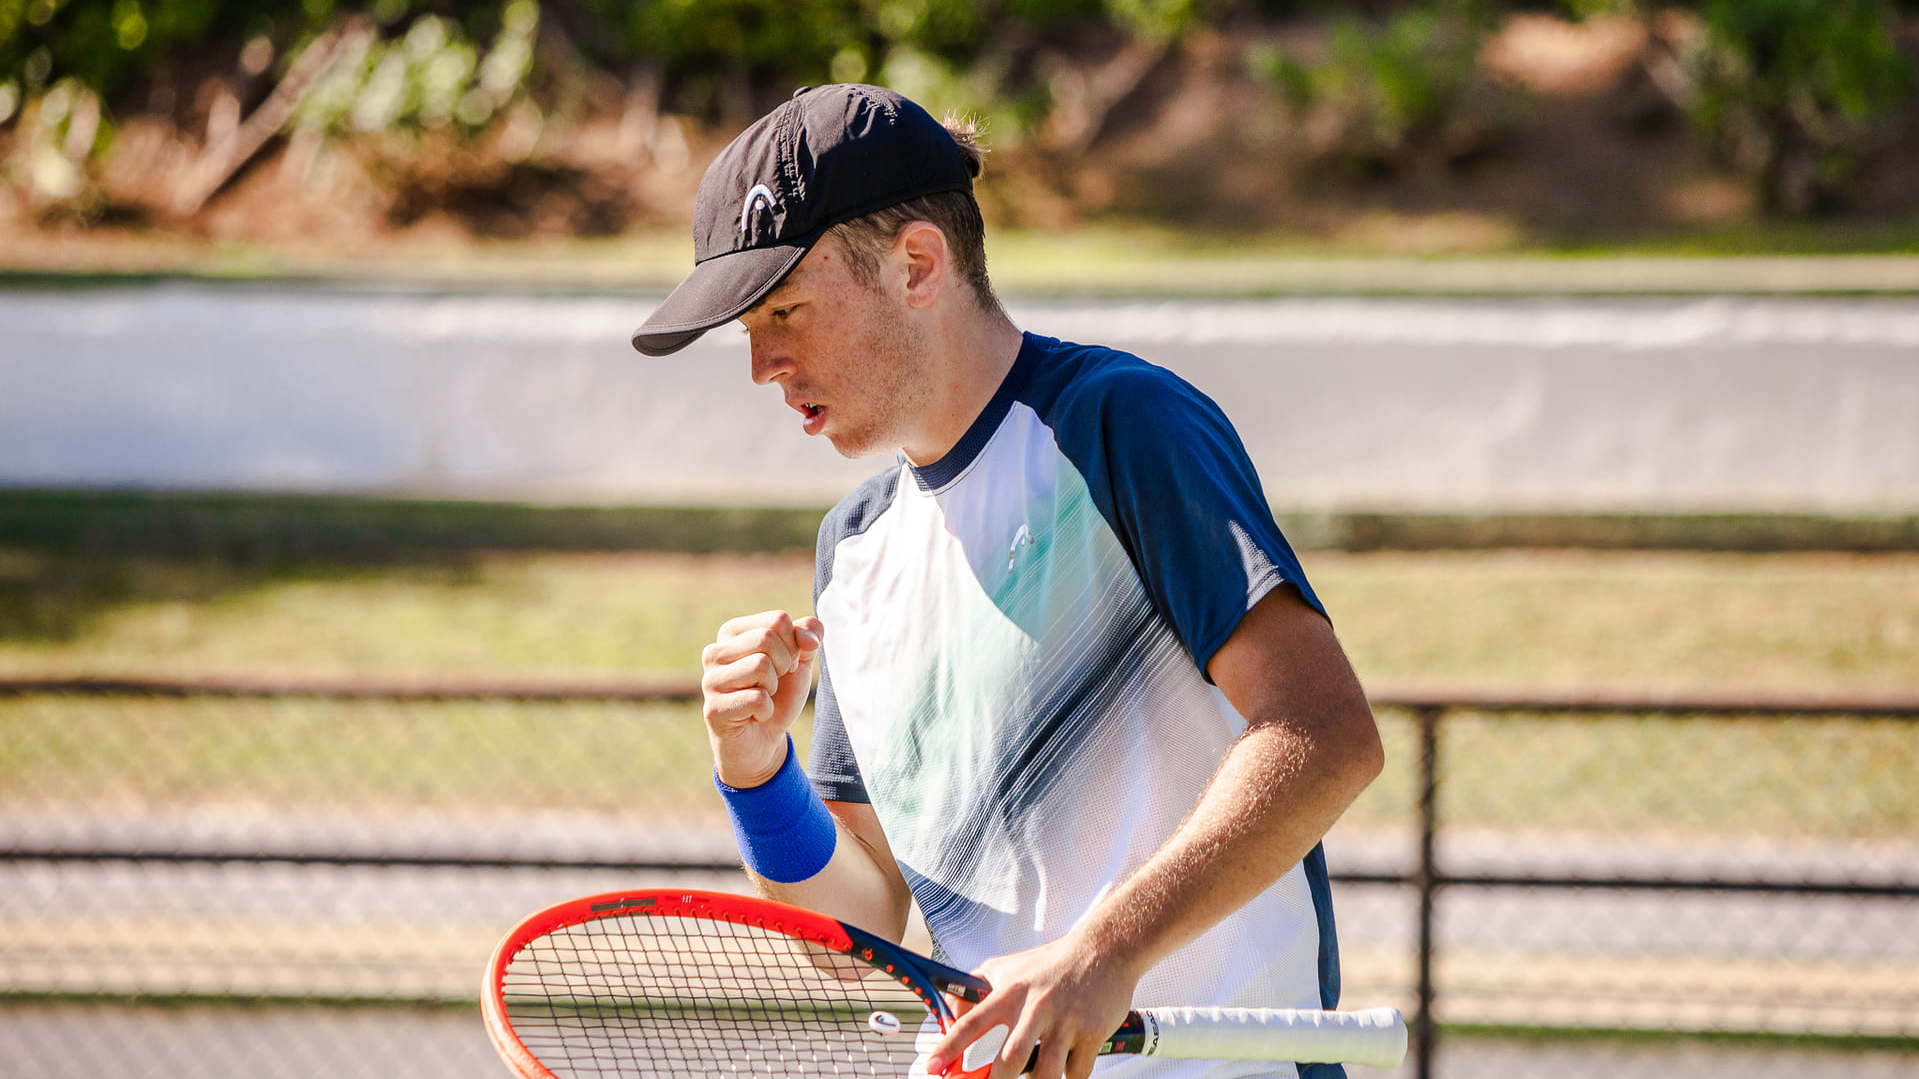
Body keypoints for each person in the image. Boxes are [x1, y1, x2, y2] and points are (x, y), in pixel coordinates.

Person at [632, 83, 1383, 1079]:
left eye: (786, 309)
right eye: (747, 328)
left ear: (915, 265)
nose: (764, 363)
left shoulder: (1121, 425)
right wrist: (753, 763)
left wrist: (1104, 948)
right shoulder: (851, 548)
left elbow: (1324, 734)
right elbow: (859, 919)